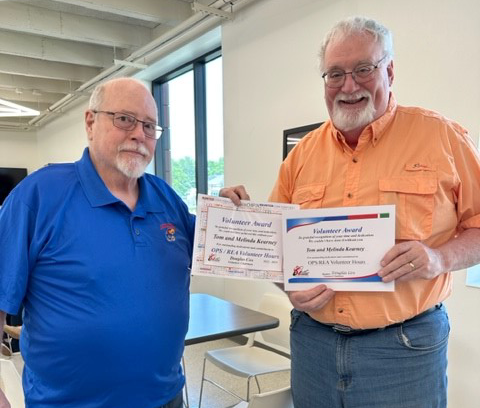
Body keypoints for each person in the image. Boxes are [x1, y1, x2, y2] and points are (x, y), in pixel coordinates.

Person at [221, 16, 480, 408]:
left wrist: (438, 256)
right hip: (314, 346)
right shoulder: (303, 154)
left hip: (403, 350)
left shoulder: (441, 137)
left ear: (389, 71)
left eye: (363, 69)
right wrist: (244, 230)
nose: (349, 86)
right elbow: (274, 246)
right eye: (335, 74)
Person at [0, 78, 195, 408]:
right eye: (124, 119)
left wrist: (232, 214)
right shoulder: (37, 197)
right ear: (91, 122)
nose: (138, 134)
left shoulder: (167, 199)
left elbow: (223, 253)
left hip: (165, 399)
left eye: (149, 126)